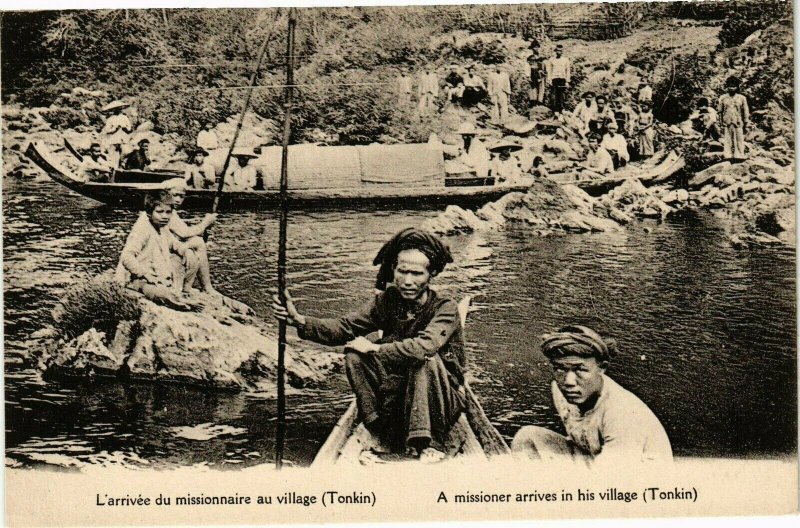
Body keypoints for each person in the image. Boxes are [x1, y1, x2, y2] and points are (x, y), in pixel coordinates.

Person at [272, 228, 466, 462]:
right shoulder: (387, 301)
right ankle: (380, 426)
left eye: (417, 274)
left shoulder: (446, 308)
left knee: (423, 360)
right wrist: (300, 321)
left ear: (431, 274)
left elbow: (424, 346)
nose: (407, 281)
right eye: (401, 271)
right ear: (393, 270)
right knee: (354, 355)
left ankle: (427, 442)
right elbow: (345, 327)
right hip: (401, 394)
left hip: (440, 401)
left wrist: (376, 348)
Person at [511, 325, 672, 467]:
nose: (568, 382)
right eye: (560, 368)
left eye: (580, 369)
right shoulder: (562, 389)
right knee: (528, 439)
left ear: (602, 368)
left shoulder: (622, 413)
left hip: (639, 484)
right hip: (595, 459)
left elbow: (611, 481)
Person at [114, 190, 199, 311]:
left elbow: (175, 244)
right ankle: (178, 301)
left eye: (168, 212)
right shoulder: (142, 229)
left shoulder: (162, 227)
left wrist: (186, 251)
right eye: (159, 212)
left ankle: (184, 293)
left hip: (158, 277)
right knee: (160, 293)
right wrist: (145, 274)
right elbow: (126, 257)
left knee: (193, 257)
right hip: (140, 280)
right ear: (149, 213)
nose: (165, 216)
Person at [160, 178, 220, 298]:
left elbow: (184, 232)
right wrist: (205, 223)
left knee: (197, 242)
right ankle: (206, 287)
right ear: (166, 194)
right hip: (160, 252)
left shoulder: (172, 211)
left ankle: (198, 287)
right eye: (175, 195)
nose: (178, 200)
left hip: (166, 247)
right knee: (197, 242)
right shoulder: (164, 210)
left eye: (181, 196)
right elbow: (184, 233)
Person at [717, 76, 749, 161]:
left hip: (737, 121)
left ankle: (739, 155)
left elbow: (745, 111)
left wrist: (746, 122)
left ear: (737, 87)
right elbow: (720, 111)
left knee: (739, 139)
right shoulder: (723, 98)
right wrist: (720, 122)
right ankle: (728, 155)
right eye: (730, 86)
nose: (731, 88)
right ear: (727, 87)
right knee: (728, 139)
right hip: (726, 121)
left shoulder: (742, 98)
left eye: (733, 86)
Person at [100, 100, 132, 168]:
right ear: (113, 110)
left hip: (123, 139)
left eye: (119, 108)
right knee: (114, 156)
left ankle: (122, 166)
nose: (118, 110)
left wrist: (124, 128)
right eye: (116, 109)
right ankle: (114, 169)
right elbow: (107, 130)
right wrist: (115, 128)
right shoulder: (111, 119)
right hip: (113, 139)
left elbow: (129, 129)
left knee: (126, 153)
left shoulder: (124, 117)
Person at [545, 44, 571, 114]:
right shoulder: (551, 60)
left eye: (560, 51)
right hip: (554, 79)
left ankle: (562, 109)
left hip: (562, 79)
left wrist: (567, 81)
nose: (559, 52)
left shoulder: (566, 60)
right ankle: (555, 110)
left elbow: (568, 71)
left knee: (562, 95)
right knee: (554, 95)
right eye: (557, 51)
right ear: (555, 51)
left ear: (562, 52)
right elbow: (549, 70)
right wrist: (549, 80)